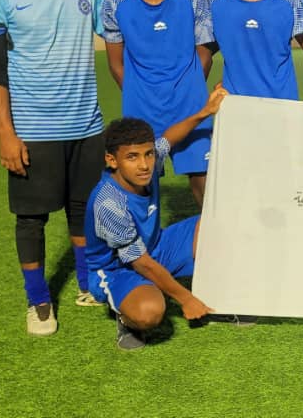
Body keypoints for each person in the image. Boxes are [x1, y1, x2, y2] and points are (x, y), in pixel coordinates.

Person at [0, 0, 108, 336]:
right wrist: (5, 133)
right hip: (33, 129)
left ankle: (88, 284)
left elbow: (121, 32)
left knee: (84, 209)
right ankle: (38, 302)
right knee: (32, 219)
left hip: (86, 127)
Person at [85, 86, 227, 350]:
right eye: (132, 157)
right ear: (112, 160)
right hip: (118, 270)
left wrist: (204, 112)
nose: (144, 164)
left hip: (156, 247)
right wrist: (186, 298)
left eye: (148, 154)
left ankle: (212, 299)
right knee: (149, 311)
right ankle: (127, 316)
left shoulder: (151, 161)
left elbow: (168, 138)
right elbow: (141, 263)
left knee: (222, 223)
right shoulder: (109, 202)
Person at [101, 0, 216, 207]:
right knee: (142, 190)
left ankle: (211, 238)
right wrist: (141, 92)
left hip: (190, 108)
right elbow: (115, 63)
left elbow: (205, 52)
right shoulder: (115, 1)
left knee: (205, 187)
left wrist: (188, 88)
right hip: (142, 112)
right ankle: (144, 239)